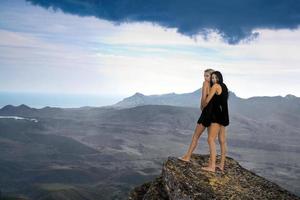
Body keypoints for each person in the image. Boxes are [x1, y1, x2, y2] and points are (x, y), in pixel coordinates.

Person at [177, 68, 215, 162]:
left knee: (196, 136)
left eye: (207, 76)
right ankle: (212, 163)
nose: (205, 78)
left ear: (211, 76)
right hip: (214, 115)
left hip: (206, 113)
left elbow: (203, 98)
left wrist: (202, 107)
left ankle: (187, 157)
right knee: (211, 140)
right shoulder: (216, 86)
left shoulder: (205, 84)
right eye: (204, 76)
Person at [201, 71, 229, 173]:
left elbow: (207, 100)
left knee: (210, 139)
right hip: (224, 115)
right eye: (212, 78)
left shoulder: (215, 86)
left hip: (216, 116)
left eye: (215, 78)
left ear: (219, 78)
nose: (213, 80)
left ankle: (212, 166)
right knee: (222, 140)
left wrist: (202, 105)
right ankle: (221, 165)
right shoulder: (224, 86)